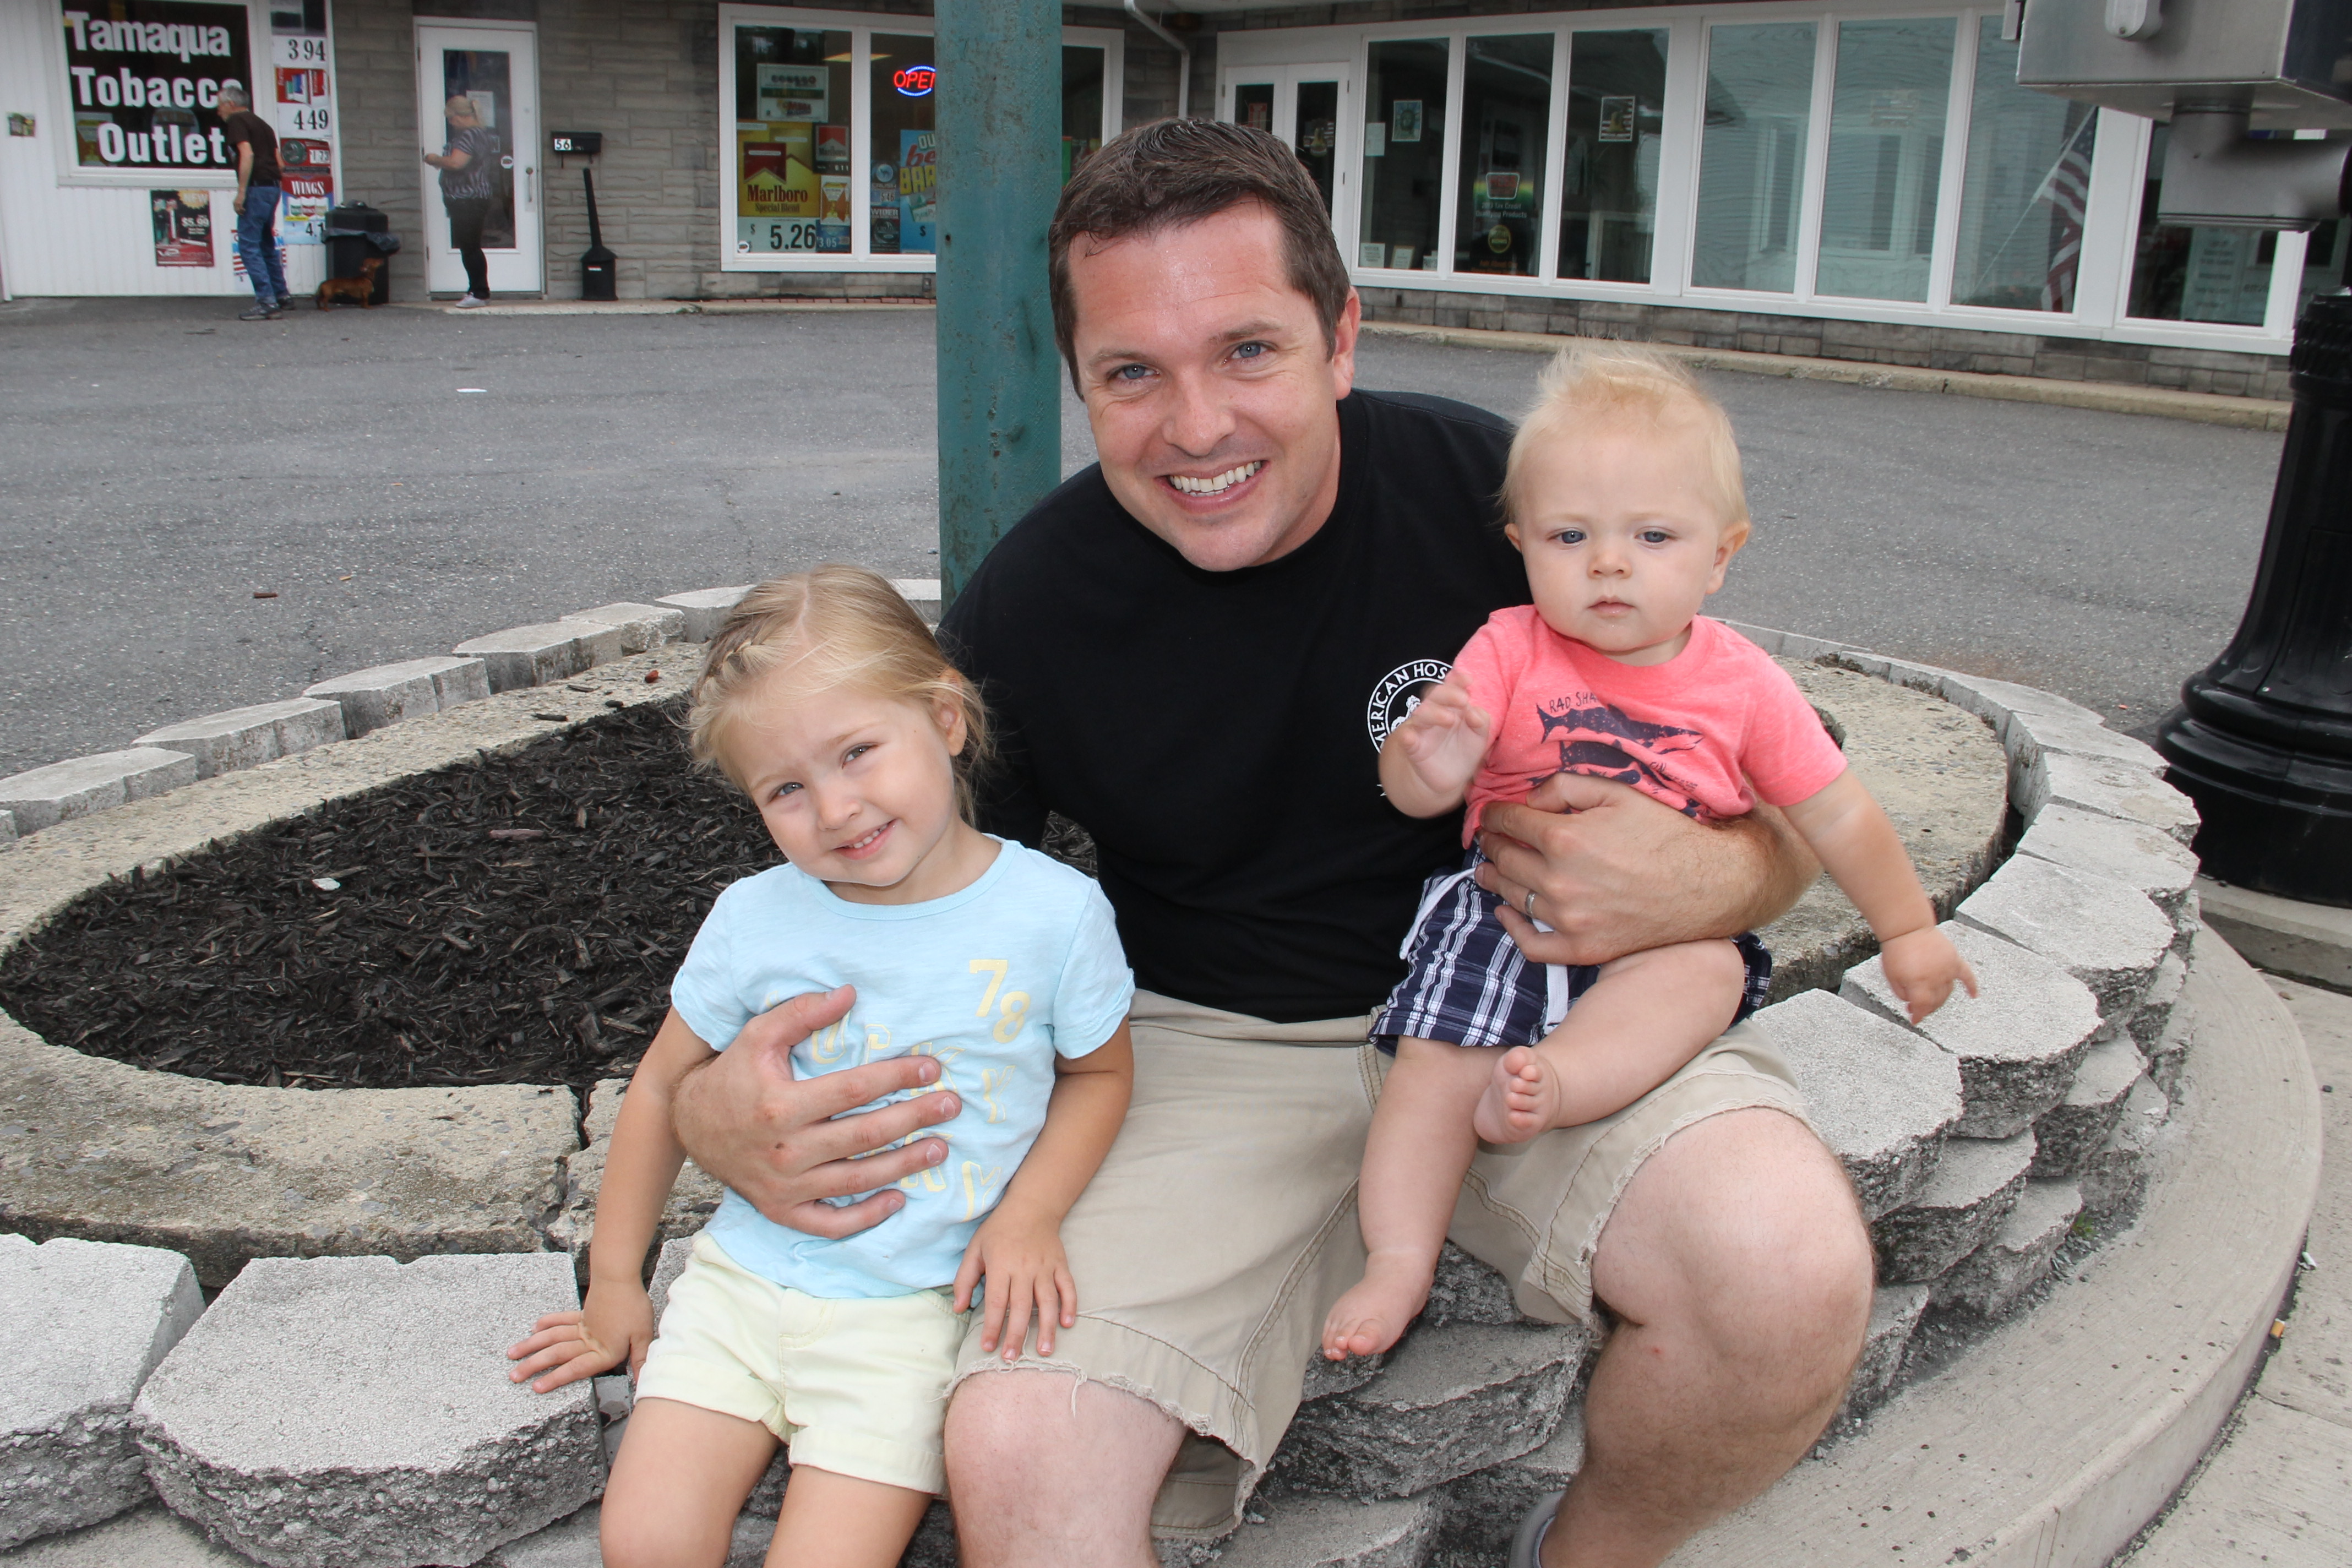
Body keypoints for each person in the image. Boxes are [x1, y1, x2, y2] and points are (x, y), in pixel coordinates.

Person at [671, 121, 1875, 1568]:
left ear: (1340, 337)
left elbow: (1799, 806)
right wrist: (703, 1106)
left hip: (1548, 1002)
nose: (1197, 426)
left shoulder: (1505, 504)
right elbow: (887, 896)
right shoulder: (1035, 608)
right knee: (1021, 1449)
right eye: (1133, 373)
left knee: (1785, 1271)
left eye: (1248, 351)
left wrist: (1724, 875)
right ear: (1081, 383)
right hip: (1204, 1048)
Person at [1322, 344, 1979, 1365]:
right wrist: (1425, 758)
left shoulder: (1745, 685)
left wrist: (1908, 929)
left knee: (1707, 972)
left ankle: (1560, 1080)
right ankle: (1397, 1258)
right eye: (1569, 535)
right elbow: (1416, 793)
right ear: (1521, 545)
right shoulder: (1508, 646)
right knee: (1431, 1068)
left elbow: (1838, 813)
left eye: (1653, 535)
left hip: (1666, 933)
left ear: (1721, 554)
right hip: (1508, 913)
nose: (1608, 562)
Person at [504, 565, 1135, 1568]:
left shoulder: (1054, 916)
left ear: (945, 719)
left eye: (857, 752)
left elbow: (1099, 1076)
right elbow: (661, 1085)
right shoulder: (754, 918)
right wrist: (616, 1280)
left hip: (910, 1315)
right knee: (644, 1540)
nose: (836, 808)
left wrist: (1029, 1215)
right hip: (739, 1288)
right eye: (786, 789)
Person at [216, 85, 287, 322]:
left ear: (231, 104)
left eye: (220, 105)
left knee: (248, 245)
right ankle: (281, 295)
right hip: (272, 187)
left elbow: (247, 154)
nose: (218, 111)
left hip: (256, 188)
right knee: (266, 243)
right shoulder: (263, 125)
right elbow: (280, 163)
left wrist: (242, 192)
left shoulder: (237, 122)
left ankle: (267, 302)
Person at [422, 96, 496, 307]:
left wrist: (435, 159)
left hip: (467, 198)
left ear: (461, 116)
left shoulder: (469, 135)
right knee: (470, 246)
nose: (451, 123)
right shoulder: (481, 134)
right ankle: (476, 289)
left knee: (470, 247)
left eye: (451, 118)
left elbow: (456, 163)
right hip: (473, 197)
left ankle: (479, 293)